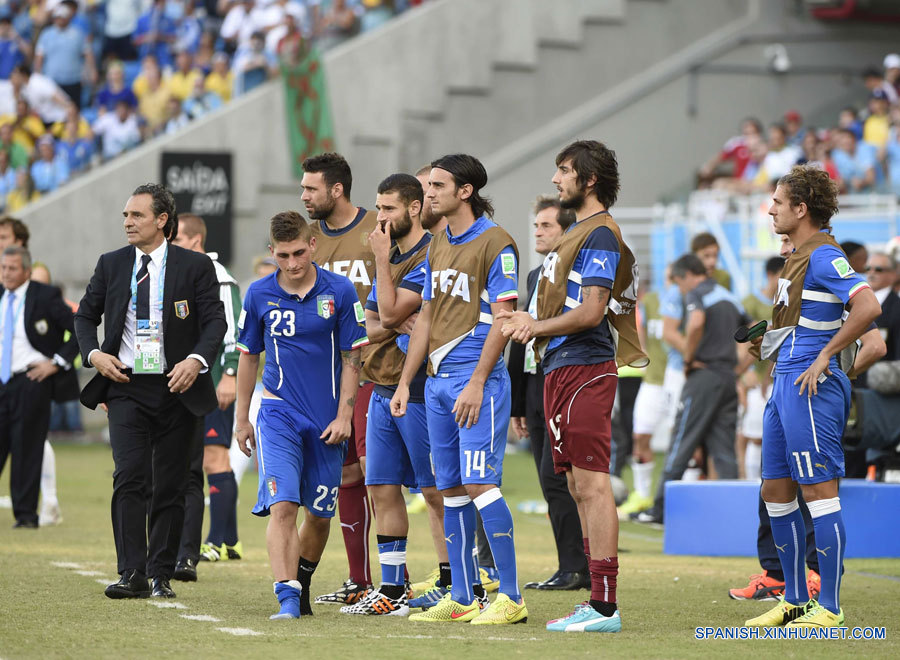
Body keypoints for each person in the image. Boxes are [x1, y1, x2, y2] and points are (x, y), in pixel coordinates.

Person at [500, 140, 644, 633]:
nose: (557, 180)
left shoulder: (600, 233)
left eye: (564, 172)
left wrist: (531, 325)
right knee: (577, 485)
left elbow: (590, 311)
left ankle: (605, 605)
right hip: (560, 370)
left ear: (589, 180)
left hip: (586, 369)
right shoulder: (579, 233)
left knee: (593, 482)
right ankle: (594, 599)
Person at [744, 165, 881, 629]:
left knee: (819, 494)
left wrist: (827, 356)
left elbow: (869, 307)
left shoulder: (825, 256)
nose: (770, 210)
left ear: (801, 209)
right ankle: (796, 599)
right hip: (785, 382)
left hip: (810, 388)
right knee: (775, 492)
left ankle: (832, 608)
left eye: (778, 203)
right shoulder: (798, 257)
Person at [74, 183, 226, 599]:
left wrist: (195, 362)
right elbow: (85, 317)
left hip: (177, 386)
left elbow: (215, 323)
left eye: (136, 215)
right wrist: (94, 356)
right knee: (129, 476)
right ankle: (131, 573)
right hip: (125, 385)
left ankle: (160, 572)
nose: (127, 222)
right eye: (125, 215)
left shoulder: (194, 266)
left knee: (171, 483)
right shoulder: (111, 264)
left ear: (162, 220)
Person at [392, 153, 525, 625]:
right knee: (450, 489)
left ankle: (510, 597)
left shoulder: (497, 242)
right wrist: (407, 381)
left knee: (480, 483)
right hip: (437, 384)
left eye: (437, 186)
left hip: (477, 382)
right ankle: (465, 596)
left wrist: (476, 380)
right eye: (428, 186)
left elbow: (503, 318)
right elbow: (425, 316)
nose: (428, 193)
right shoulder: (438, 241)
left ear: (464, 191)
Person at [234, 210, 367, 620]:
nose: (291, 264)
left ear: (312, 245)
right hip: (277, 413)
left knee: (320, 514)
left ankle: (301, 580)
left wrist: (345, 416)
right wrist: (242, 418)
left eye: (298, 253)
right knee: (283, 505)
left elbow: (353, 356)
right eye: (282, 255)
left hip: (327, 422)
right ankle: (287, 599)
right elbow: (248, 358)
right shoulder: (257, 294)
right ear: (271, 251)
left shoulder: (341, 291)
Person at [340, 173, 440, 616]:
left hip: (419, 387)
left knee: (436, 490)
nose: (380, 218)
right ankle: (394, 590)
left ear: (414, 208)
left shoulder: (429, 254)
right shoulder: (395, 252)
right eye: (378, 208)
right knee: (381, 487)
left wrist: (381, 266)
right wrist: (392, 318)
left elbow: (391, 310)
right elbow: (369, 320)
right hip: (378, 384)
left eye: (389, 209)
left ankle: (457, 581)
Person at [301, 152, 379, 606]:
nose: (305, 196)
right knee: (345, 476)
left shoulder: (376, 233)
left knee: (378, 478)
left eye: (311, 188)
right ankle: (361, 581)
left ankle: (396, 581)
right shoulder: (307, 240)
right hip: (326, 384)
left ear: (337, 190)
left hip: (374, 373)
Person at [507, 194, 588, 591]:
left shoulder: (577, 274)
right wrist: (519, 401)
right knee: (549, 480)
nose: (537, 231)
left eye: (546, 226)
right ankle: (570, 565)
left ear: (567, 230)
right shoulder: (534, 275)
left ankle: (579, 566)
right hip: (537, 385)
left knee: (562, 478)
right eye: (536, 225)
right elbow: (522, 337)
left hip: (567, 380)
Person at [637, 253, 749, 525]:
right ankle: (730, 516)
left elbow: (696, 323)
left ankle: (660, 509)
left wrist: (688, 357)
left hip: (703, 376)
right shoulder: (729, 297)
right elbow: (752, 334)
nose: (678, 288)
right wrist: (739, 369)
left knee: (681, 440)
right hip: (726, 379)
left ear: (687, 274)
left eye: (678, 282)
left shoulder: (697, 294)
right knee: (724, 450)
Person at [171, 214, 243, 581]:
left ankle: (215, 540)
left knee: (215, 459)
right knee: (195, 462)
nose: (174, 243)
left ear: (197, 240)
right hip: (186, 385)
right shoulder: (180, 272)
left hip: (213, 383)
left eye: (180, 238)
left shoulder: (218, 275)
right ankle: (229, 540)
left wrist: (229, 373)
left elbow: (232, 327)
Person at [0, 245, 78, 528]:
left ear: (26, 271)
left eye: (11, 269)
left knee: (26, 448)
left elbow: (79, 327)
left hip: (30, 379)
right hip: (1, 379)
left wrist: (56, 362)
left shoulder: (44, 296)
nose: (6, 274)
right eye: (3, 268)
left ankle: (25, 516)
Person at [617, 276, 669, 518]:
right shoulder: (647, 304)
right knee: (638, 434)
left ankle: (673, 500)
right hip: (646, 377)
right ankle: (642, 495)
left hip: (669, 377)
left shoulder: (687, 301)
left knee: (685, 443)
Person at [737, 256, 784, 482]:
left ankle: (765, 483)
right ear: (771, 275)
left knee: (772, 436)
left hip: (777, 377)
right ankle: (751, 483)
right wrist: (743, 373)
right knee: (753, 436)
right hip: (754, 379)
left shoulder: (785, 304)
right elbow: (739, 341)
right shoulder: (749, 303)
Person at [34, 1, 96, 109]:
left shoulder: (78, 34)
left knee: (74, 110)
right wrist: (37, 75)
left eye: (63, 17)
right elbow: (39, 56)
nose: (60, 20)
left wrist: (92, 71)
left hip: (73, 80)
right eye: (58, 17)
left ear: (68, 17)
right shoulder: (46, 34)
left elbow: (88, 53)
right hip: (52, 80)